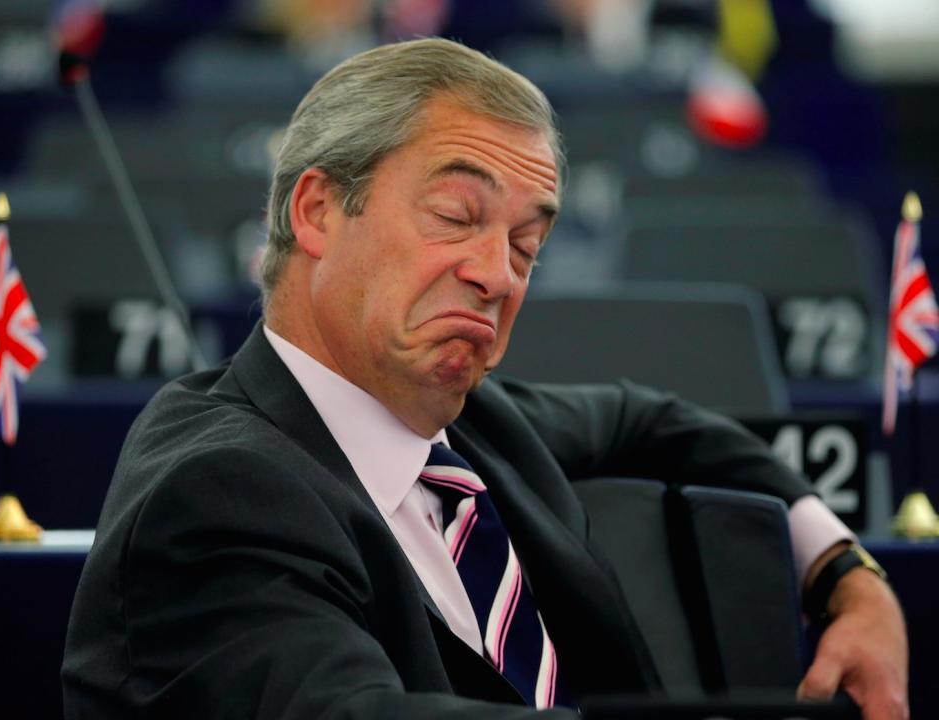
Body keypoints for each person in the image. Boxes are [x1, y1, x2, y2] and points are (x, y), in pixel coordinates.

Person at [61, 38, 907, 719]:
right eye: (456, 217)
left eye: (527, 247)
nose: (498, 275)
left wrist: (845, 573)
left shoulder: (472, 427)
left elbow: (656, 424)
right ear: (317, 211)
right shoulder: (215, 491)